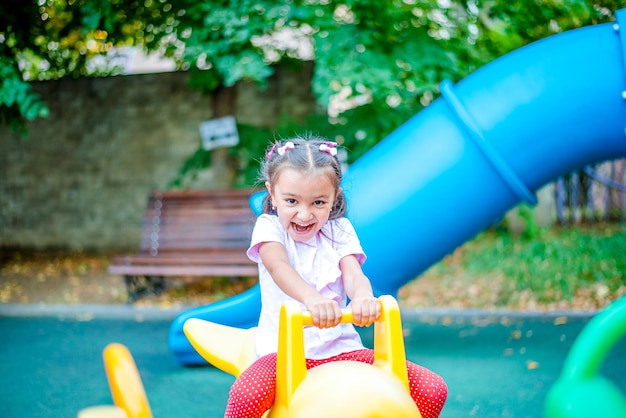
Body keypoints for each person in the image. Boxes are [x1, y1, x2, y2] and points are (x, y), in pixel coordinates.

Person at [225, 136, 447, 418]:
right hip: (284, 353)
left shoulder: (339, 230)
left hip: (343, 349)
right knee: (247, 394)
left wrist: (364, 298)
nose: (304, 214)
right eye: (291, 200)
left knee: (431, 389)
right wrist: (312, 300)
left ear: (335, 197)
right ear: (272, 193)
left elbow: (354, 274)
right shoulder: (269, 228)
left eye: (318, 202)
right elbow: (279, 267)